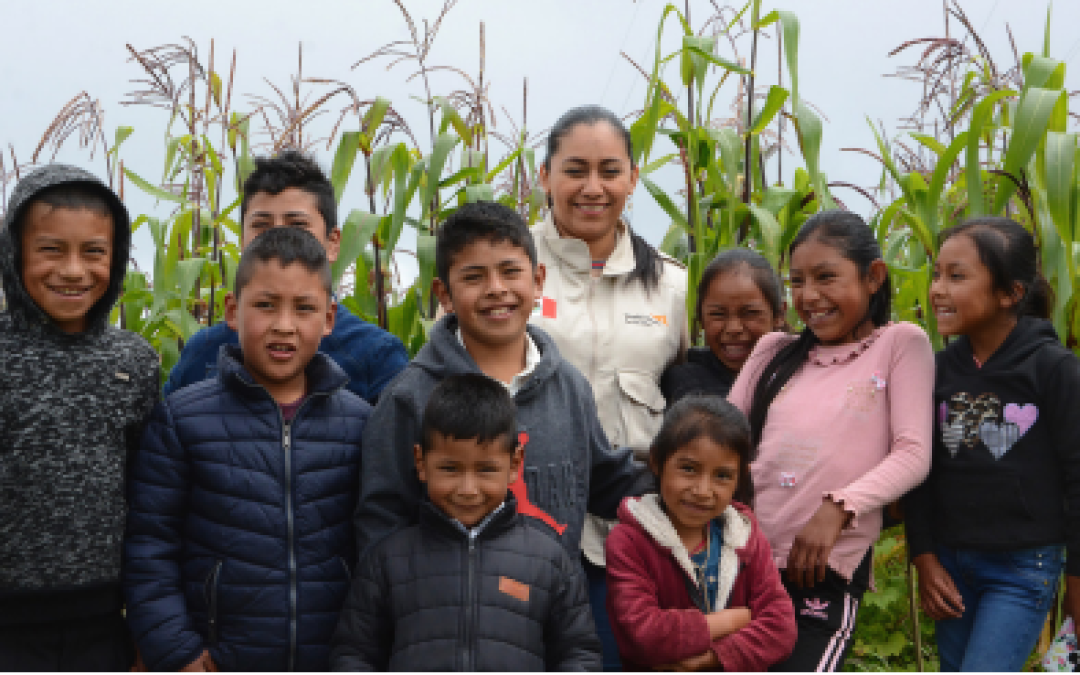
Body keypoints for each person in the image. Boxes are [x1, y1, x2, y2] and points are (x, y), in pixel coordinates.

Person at [124, 228, 371, 671]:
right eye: (265, 305)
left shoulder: (358, 423)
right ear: (232, 312)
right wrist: (178, 650)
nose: (284, 324)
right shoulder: (182, 419)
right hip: (221, 659)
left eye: (304, 308)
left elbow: (373, 551)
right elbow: (149, 547)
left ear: (329, 318)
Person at [353, 200, 651, 563]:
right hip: (448, 613)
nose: (496, 289)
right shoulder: (410, 398)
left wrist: (692, 475)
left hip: (554, 610)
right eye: (474, 277)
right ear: (444, 294)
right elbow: (381, 523)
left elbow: (605, 481)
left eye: (510, 272)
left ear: (538, 280)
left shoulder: (569, 387)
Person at [727, 210, 934, 671]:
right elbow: (726, 444)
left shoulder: (900, 344)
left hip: (823, 571)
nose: (809, 296)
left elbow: (914, 453)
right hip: (741, 562)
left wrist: (838, 507)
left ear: (873, 276)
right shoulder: (773, 352)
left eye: (827, 278)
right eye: (797, 281)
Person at [530, 104, 688, 669]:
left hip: (630, 537)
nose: (592, 188)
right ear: (544, 176)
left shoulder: (672, 286)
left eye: (609, 170)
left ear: (633, 179)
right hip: (524, 526)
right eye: (574, 170)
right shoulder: (510, 266)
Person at [0, 165, 160, 671]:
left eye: (93, 252)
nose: (73, 271)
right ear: (13, 254)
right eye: (51, 250)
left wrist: (146, 623)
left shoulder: (135, 361)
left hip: (102, 622)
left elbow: (150, 492)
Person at [332, 374, 601, 671]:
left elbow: (578, 653)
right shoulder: (387, 562)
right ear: (420, 462)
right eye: (450, 469)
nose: (468, 489)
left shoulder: (549, 562)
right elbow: (354, 654)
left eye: (486, 469)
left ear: (514, 463)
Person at [904, 217, 1080, 671]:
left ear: (1010, 293)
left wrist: (1077, 585)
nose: (938, 289)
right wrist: (924, 557)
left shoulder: (1054, 370)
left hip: (1021, 568)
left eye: (957, 276)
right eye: (937, 273)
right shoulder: (936, 371)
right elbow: (918, 469)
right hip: (949, 567)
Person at [162, 149, 408, 404]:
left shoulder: (375, 354)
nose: (278, 240)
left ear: (333, 243)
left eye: (297, 226)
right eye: (261, 227)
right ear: (242, 240)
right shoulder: (203, 351)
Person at [605, 395, 797, 671]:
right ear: (657, 461)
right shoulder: (629, 542)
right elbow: (645, 633)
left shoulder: (746, 538)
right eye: (688, 469)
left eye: (722, 476)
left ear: (740, 478)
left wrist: (714, 657)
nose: (703, 491)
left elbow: (781, 629)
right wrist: (733, 620)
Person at [661, 249, 787, 403]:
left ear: (779, 315)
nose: (734, 328)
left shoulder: (801, 373)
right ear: (700, 319)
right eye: (718, 314)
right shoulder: (684, 384)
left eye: (750, 313)